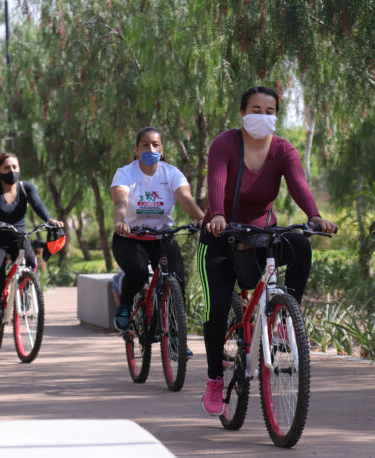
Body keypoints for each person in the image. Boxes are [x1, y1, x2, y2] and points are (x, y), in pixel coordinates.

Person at [198, 86, 337, 416]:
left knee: (301, 244)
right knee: (217, 308)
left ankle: (284, 316)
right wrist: (217, 214)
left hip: (262, 234)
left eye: (270, 110)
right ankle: (215, 378)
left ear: (277, 114)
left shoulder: (284, 150)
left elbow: (299, 184)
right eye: (256, 109)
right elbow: (216, 181)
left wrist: (314, 215)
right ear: (243, 113)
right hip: (221, 236)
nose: (263, 116)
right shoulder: (224, 144)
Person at [110, 127, 205, 330]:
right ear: (136, 149)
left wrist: (202, 218)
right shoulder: (125, 174)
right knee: (138, 273)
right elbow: (120, 202)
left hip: (162, 237)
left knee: (176, 282)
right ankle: (125, 304)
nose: (150, 149)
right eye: (145, 144)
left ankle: (176, 340)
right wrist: (120, 222)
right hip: (130, 236)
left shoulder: (171, 173)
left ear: (162, 149)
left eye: (155, 145)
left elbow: (186, 199)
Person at [0, 153, 63, 343]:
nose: (12, 171)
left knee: (32, 262)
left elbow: (38, 204)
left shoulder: (26, 188)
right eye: (7, 168)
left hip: (18, 238)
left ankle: (25, 294)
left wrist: (49, 220)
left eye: (15, 167)